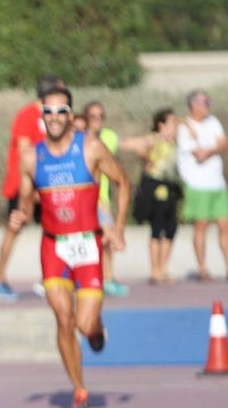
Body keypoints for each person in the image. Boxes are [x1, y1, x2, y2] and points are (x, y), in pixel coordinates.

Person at [10, 86, 129, 408]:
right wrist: (20, 214)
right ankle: (79, 388)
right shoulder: (32, 156)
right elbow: (24, 198)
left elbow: (124, 182)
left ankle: (95, 326)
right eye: (48, 112)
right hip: (54, 247)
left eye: (62, 112)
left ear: (71, 116)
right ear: (42, 117)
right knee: (63, 320)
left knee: (82, 324)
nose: (55, 118)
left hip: (88, 244)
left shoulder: (90, 147)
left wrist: (118, 228)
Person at [0, 74, 65, 302]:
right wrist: (31, 188)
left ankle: (50, 279)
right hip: (24, 186)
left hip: (50, 186)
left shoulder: (56, 117)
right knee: (14, 228)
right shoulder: (27, 116)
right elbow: (24, 152)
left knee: (56, 231)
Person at [121, 108, 182, 284]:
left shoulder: (174, 142)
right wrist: (146, 157)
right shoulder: (153, 139)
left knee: (171, 228)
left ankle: (164, 267)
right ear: (161, 124)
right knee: (157, 227)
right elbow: (132, 145)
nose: (175, 126)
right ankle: (155, 269)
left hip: (170, 187)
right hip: (155, 188)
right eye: (171, 123)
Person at [176, 89, 228, 282]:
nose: (208, 106)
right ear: (194, 105)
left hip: (217, 183)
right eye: (205, 102)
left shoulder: (213, 122)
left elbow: (224, 143)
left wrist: (211, 149)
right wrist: (214, 148)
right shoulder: (184, 128)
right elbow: (199, 155)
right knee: (202, 226)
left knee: (225, 225)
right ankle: (203, 268)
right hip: (198, 184)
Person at [81, 101, 129, 296]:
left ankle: (107, 278)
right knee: (102, 238)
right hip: (88, 199)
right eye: (93, 116)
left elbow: (128, 144)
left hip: (103, 199)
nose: (98, 120)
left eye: (101, 116)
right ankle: (91, 278)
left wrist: (154, 140)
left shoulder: (108, 136)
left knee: (107, 240)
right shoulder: (81, 141)